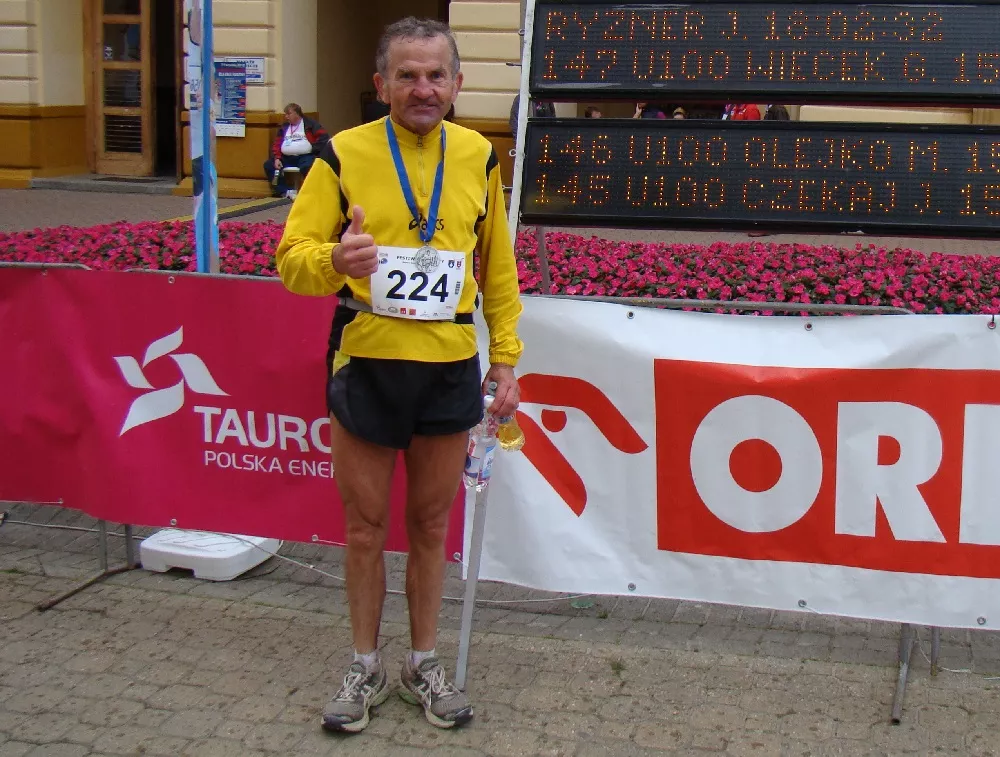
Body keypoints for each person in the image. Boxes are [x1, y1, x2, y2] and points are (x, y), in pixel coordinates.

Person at [274, 16, 523, 734]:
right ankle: (364, 664)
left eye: (435, 75)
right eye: (407, 75)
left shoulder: (478, 155)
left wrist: (506, 358)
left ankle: (422, 662)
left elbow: (497, 268)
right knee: (364, 528)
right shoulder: (341, 154)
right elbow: (291, 259)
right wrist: (334, 260)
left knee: (430, 525)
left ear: (457, 83)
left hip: (448, 366)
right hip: (369, 363)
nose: (423, 88)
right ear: (380, 83)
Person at [263, 104, 330, 198]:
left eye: (289, 114)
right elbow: (277, 144)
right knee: (269, 165)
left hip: (305, 156)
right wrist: (277, 158)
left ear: (297, 114)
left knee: (307, 167)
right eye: (285, 114)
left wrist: (313, 149)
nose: (286, 117)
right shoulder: (284, 127)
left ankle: (309, 191)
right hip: (286, 157)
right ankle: (284, 191)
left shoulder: (310, 124)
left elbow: (324, 137)